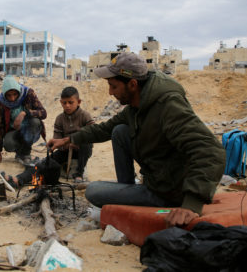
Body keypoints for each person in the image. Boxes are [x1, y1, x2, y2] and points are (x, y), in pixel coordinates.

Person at [47, 52, 226, 227]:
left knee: (93, 191)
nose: (110, 92)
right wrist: (67, 140)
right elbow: (104, 129)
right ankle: (128, 189)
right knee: (119, 131)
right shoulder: (137, 106)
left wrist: (191, 205)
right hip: (157, 180)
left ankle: (135, 196)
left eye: (114, 86)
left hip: (169, 192)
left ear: (132, 84)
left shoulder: (168, 105)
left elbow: (211, 151)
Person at [0, 86, 94, 188]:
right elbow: (57, 140)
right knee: (42, 164)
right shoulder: (60, 119)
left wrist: (75, 142)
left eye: (71, 102)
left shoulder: (85, 115)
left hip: (82, 150)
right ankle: (18, 180)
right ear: (61, 102)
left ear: (78, 102)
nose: (67, 106)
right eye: (64, 103)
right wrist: (63, 145)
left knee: (86, 143)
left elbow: (92, 134)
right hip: (65, 151)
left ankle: (79, 174)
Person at [0, 75, 47, 165]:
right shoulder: (2, 101)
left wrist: (25, 113)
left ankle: (26, 153)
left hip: (30, 128)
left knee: (35, 122)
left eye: (15, 94)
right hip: (15, 131)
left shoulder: (28, 93)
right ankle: (20, 153)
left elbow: (43, 113)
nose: (12, 98)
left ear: (18, 91)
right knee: (8, 144)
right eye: (9, 95)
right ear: (4, 95)